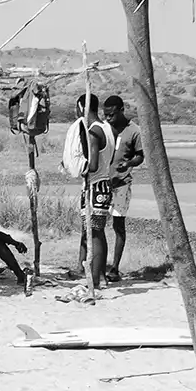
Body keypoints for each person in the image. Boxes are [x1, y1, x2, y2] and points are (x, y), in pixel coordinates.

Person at [67, 92, 116, 297]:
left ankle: (94, 280)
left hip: (95, 186)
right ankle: (101, 275)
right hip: (105, 184)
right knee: (98, 232)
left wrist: (77, 166)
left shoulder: (94, 132)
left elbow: (93, 165)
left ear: (82, 107)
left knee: (94, 234)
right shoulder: (107, 128)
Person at [100, 93, 144, 282]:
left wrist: (129, 164)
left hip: (121, 184)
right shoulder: (104, 128)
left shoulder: (134, 131)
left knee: (118, 226)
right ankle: (97, 265)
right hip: (102, 183)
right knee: (96, 224)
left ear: (121, 110)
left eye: (112, 114)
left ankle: (115, 268)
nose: (108, 118)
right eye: (106, 115)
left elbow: (140, 155)